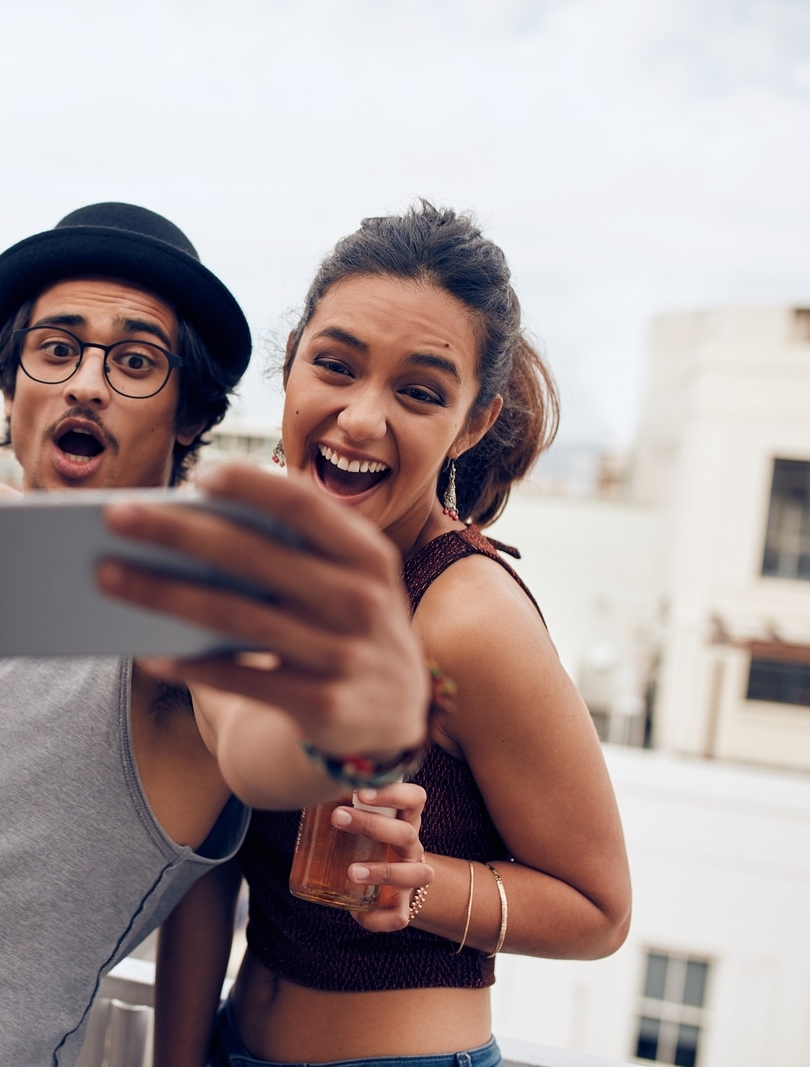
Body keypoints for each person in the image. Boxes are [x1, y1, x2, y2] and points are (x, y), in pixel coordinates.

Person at [0, 52, 435, 1067]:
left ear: (189, 413)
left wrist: (337, 737)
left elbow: (254, 745)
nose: (87, 382)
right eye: (55, 348)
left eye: (135, 360)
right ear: (10, 389)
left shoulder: (176, 590)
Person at [101, 204, 633, 1067]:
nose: (358, 418)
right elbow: (214, 860)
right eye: (335, 366)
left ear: (472, 422)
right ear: (291, 367)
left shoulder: (464, 615)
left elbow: (600, 909)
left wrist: (421, 885)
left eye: (418, 392)